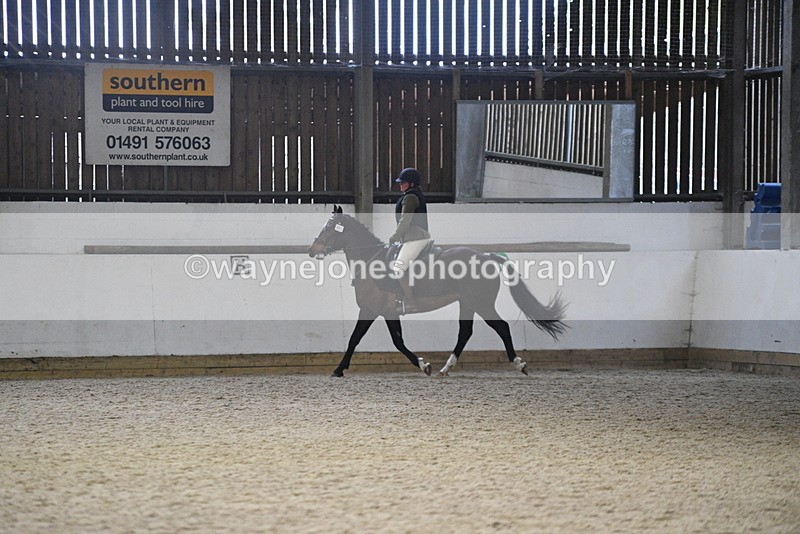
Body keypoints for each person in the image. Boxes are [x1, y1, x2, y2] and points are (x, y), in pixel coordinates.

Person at [389, 167, 432, 314]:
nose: (400, 185)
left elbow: (405, 221)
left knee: (398, 269)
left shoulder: (410, 198)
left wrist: (394, 237)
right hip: (414, 238)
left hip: (416, 239)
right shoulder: (413, 195)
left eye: (403, 183)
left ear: (412, 184)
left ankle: (411, 302)